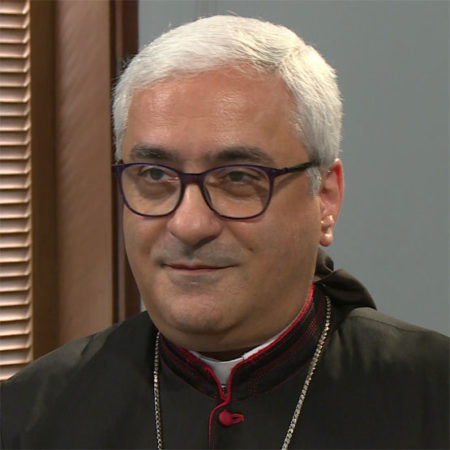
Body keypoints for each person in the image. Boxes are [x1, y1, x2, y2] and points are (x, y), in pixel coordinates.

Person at [1, 15, 448, 450]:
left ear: (325, 198)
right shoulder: (29, 415)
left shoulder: (433, 397)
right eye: (155, 175)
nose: (189, 225)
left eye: (237, 177)